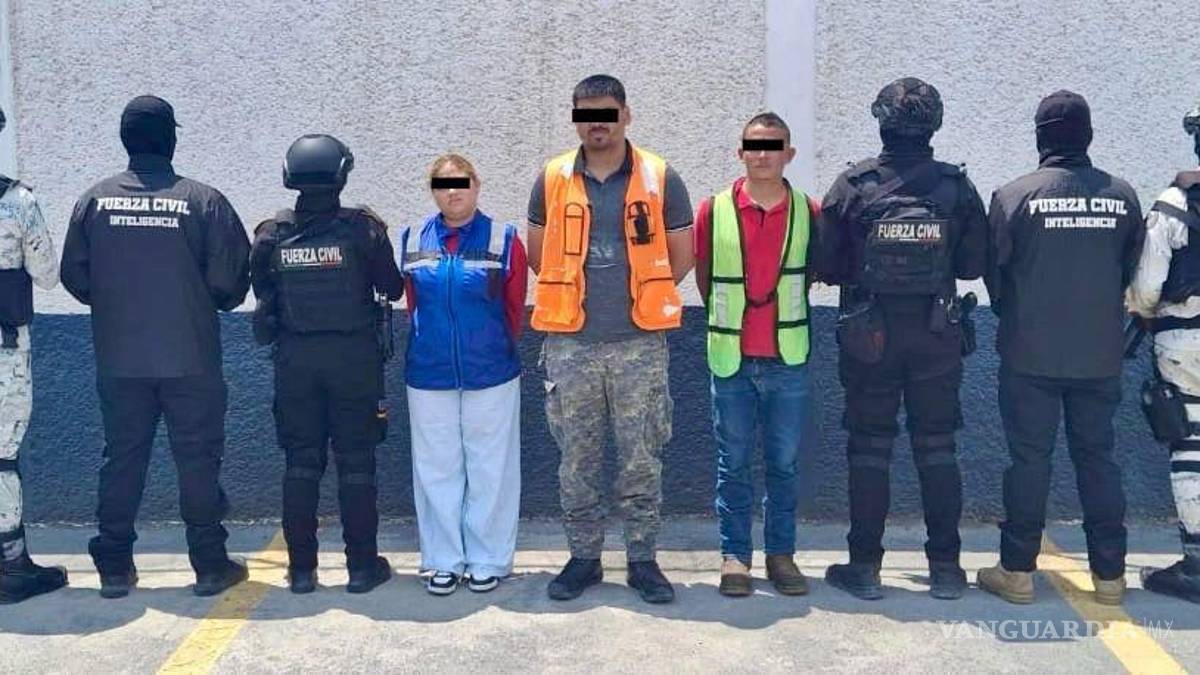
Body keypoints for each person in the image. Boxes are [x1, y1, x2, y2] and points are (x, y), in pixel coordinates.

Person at [60, 95, 251, 599]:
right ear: (170, 139)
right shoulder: (202, 201)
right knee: (198, 460)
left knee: (122, 459)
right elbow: (231, 283)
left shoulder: (94, 201)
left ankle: (114, 567)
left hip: (120, 359)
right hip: (190, 358)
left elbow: (75, 277)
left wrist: (117, 305)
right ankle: (209, 565)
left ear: (125, 140)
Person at [815, 78, 987, 601]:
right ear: (935, 124)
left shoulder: (853, 185)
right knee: (937, 447)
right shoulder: (955, 187)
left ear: (881, 122)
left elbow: (826, 266)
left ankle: (864, 567)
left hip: (870, 337)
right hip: (937, 334)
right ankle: (947, 569)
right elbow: (973, 265)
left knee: (870, 448)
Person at [528, 74, 693, 604]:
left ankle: (643, 560)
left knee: (641, 457)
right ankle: (584, 559)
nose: (596, 123)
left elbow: (682, 256)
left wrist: (644, 295)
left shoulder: (660, 176)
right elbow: (538, 255)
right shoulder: (552, 177)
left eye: (606, 112)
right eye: (586, 113)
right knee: (576, 459)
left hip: (638, 342)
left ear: (626, 114)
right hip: (571, 342)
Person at [979, 90, 1144, 606]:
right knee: (1099, 459)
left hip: (1029, 353)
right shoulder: (1123, 197)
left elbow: (995, 277)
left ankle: (1017, 571)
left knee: (1029, 461)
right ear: (1089, 136)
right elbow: (1131, 271)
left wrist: (1017, 314)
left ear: (1040, 138)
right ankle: (1110, 576)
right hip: (1099, 354)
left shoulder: (1014, 195)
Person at [249, 134, 402, 594]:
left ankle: (301, 571)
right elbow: (392, 287)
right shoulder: (364, 230)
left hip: (296, 362)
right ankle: (361, 568)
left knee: (300, 464)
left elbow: (263, 294)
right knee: (357, 464)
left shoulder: (271, 234)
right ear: (342, 175)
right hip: (354, 362)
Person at [694, 112, 819, 597]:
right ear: (740, 152)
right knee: (734, 464)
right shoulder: (713, 210)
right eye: (753, 145)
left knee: (784, 464)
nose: (762, 154)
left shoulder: (810, 211)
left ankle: (781, 555)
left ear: (790, 153)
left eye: (773, 145)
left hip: (788, 358)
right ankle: (735, 558)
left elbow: (810, 274)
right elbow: (705, 278)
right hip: (731, 358)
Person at [399, 154, 526, 596]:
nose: (452, 192)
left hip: (491, 371)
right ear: (432, 191)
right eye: (442, 184)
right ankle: (443, 560)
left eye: (461, 183)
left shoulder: (504, 238)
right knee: (436, 469)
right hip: (429, 372)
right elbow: (414, 304)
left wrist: (489, 347)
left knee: (491, 469)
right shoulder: (412, 237)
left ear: (477, 185)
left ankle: (488, 559)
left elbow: (514, 308)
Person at [1123, 99, 1200, 604]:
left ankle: (1196, 564)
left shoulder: (1173, 204)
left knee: (1190, 446)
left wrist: (1142, 314)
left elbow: (1147, 288)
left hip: (1185, 338)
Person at [0, 106, 68, 604]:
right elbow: (46, 275)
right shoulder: (17, 203)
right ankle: (9, 565)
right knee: (2, 457)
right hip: (4, 351)